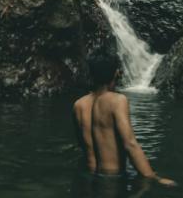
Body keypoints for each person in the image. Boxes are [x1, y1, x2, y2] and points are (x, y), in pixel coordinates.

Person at [73, 52, 176, 186]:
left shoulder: (79, 105)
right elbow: (130, 144)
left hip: (89, 175)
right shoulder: (117, 101)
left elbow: (83, 145)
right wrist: (154, 177)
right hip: (112, 178)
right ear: (116, 73)